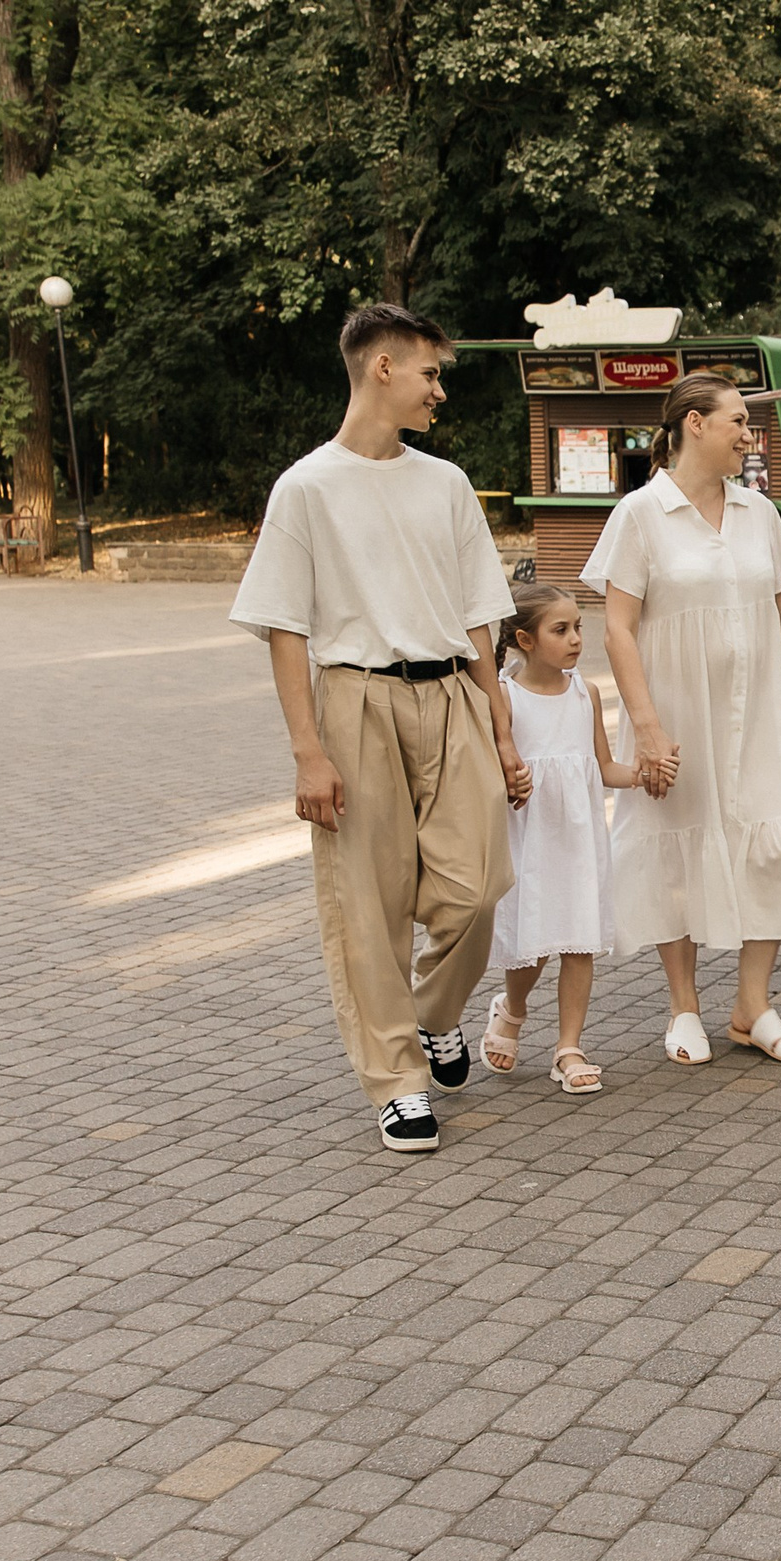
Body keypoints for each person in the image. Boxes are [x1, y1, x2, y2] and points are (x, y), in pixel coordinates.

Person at [228, 302, 528, 1155]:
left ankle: (434, 1014)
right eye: (431, 374)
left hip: (453, 699)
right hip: (354, 698)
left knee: (477, 887)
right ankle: (397, 1079)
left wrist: (501, 729)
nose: (440, 392)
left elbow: (481, 618)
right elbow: (285, 627)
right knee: (369, 902)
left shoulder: (446, 483)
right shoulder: (306, 487)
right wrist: (307, 752)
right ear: (384, 369)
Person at [588, 372, 781, 1067]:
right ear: (694, 424)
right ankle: (684, 1007)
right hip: (677, 715)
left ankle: (752, 1007)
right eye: (738, 421)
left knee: (774, 839)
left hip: (754, 713)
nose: (748, 435)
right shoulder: (640, 514)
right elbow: (617, 630)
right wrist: (647, 726)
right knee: (676, 850)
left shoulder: (760, 513)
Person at [479, 585, 641, 1093]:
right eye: (561, 629)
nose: (575, 639)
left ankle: (569, 1046)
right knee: (533, 946)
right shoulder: (504, 697)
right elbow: (490, 770)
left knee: (578, 943)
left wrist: (646, 772)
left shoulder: (584, 693)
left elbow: (603, 766)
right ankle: (514, 1007)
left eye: (578, 627)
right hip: (528, 841)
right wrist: (509, 781)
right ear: (525, 639)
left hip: (578, 844)